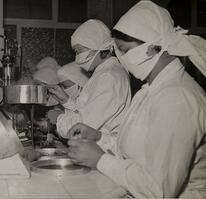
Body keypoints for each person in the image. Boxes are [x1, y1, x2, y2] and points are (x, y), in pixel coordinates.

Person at [67, 1, 206, 198]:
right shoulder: (150, 90)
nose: (121, 58)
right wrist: (99, 137)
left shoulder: (177, 98)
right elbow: (137, 151)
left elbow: (160, 190)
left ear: (153, 47)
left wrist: (100, 160)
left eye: (124, 50)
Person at [48, 19, 131, 143]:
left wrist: (58, 119)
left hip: (104, 151)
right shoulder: (104, 73)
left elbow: (81, 127)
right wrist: (66, 100)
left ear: (96, 46)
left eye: (78, 51)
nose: (76, 59)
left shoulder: (109, 77)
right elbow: (86, 113)